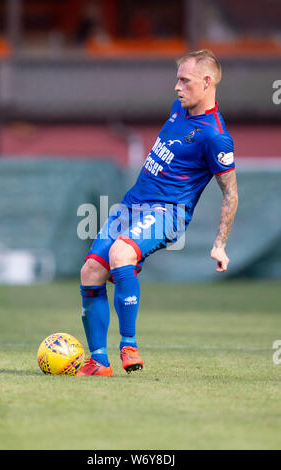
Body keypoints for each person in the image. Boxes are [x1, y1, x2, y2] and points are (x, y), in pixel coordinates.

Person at [76, 49, 238, 377]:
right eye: (177, 79)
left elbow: (231, 194)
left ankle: (128, 346)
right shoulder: (179, 109)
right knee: (91, 272)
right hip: (132, 204)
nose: (177, 87)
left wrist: (220, 244)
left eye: (184, 80)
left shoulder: (215, 137)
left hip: (168, 211)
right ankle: (98, 363)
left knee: (122, 253)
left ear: (207, 82)